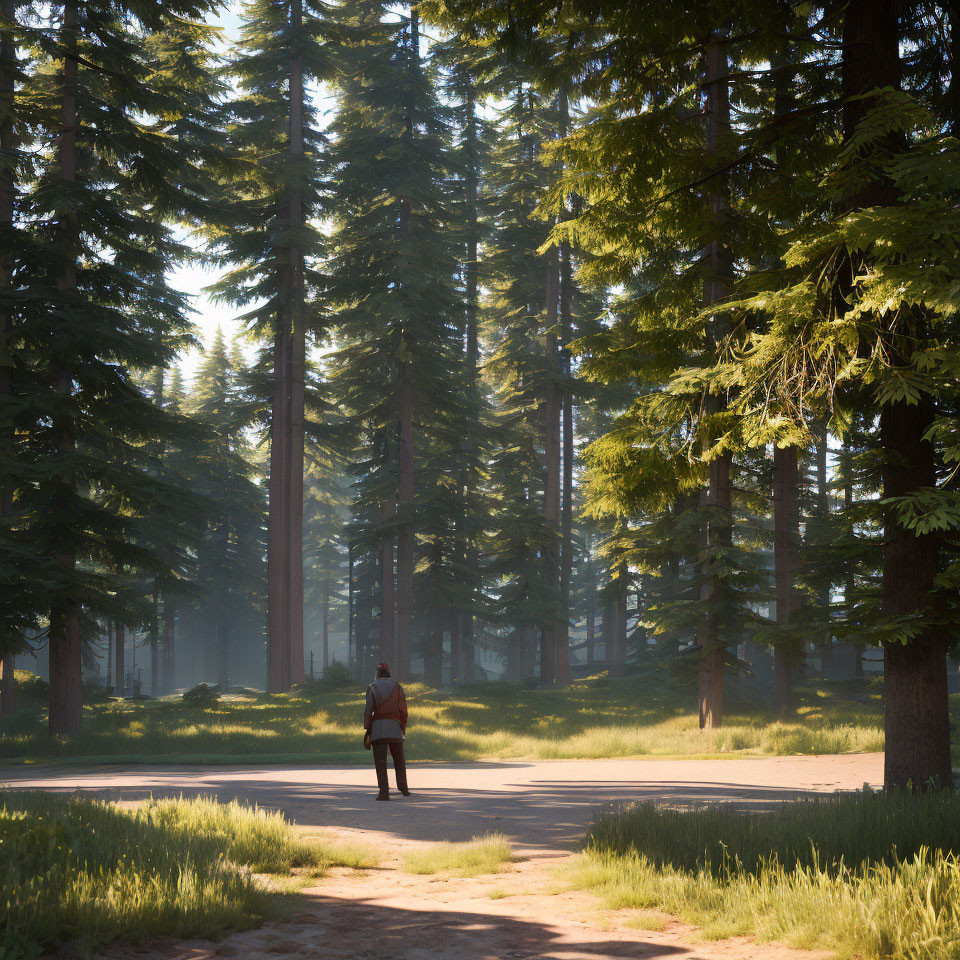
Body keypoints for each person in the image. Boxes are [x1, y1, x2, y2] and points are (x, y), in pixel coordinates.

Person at [363, 662, 409, 800]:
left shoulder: (372, 688)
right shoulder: (397, 687)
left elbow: (368, 709)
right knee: (399, 760)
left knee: (380, 762)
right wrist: (403, 727)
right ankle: (403, 788)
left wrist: (367, 727)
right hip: (394, 728)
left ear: (377, 674)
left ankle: (384, 792)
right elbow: (403, 710)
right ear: (388, 674)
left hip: (378, 729)